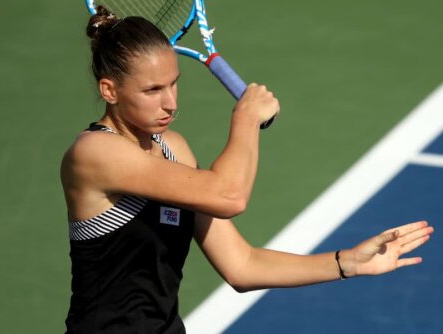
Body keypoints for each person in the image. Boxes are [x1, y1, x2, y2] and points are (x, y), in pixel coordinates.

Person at [60, 6, 434, 334]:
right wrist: (246, 119)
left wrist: (345, 262)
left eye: (174, 84)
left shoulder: (172, 148)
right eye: (153, 90)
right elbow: (229, 195)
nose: (170, 102)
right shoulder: (95, 154)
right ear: (110, 91)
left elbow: (242, 265)